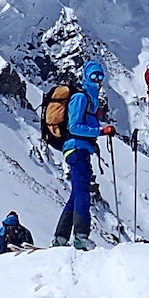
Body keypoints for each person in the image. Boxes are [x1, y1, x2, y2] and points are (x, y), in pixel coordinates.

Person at [52, 59, 115, 251]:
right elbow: (74, 126)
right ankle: (80, 236)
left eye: (100, 76)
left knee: (76, 194)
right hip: (77, 148)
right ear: (86, 76)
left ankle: (61, 238)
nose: (97, 80)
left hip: (80, 149)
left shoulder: (90, 99)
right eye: (94, 75)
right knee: (82, 192)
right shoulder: (81, 98)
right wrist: (100, 132)